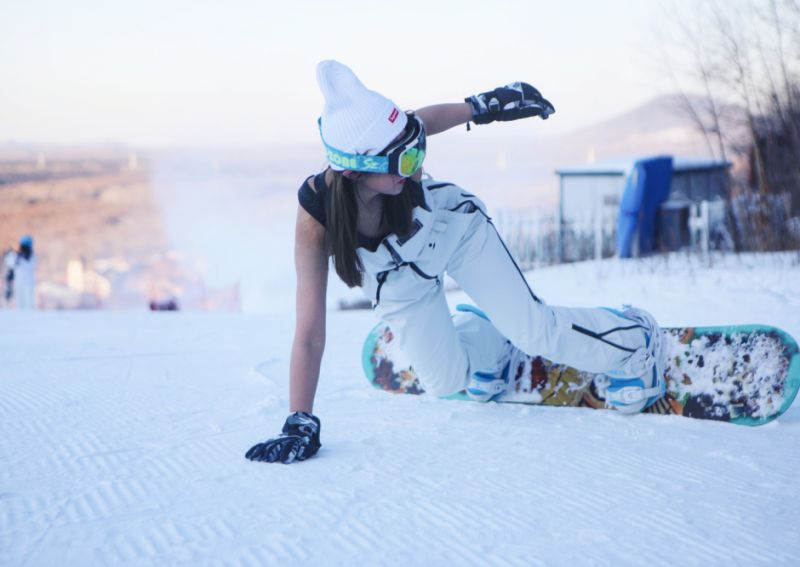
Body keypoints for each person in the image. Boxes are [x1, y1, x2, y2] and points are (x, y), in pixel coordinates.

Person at [245, 61, 666, 464]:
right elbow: (309, 334)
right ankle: (487, 339)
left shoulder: (392, 143)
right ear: (356, 171)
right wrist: (299, 421)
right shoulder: (317, 216)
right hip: (395, 281)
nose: (417, 165)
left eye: (417, 150)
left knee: (533, 330)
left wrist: (487, 106)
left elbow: (425, 120)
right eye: (406, 160)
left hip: (454, 231)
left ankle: (634, 343)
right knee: (445, 381)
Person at [13, 235, 37, 310]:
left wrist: (23, 257)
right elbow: (11, 264)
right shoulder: (16, 255)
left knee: (28, 301)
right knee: (19, 301)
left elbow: (30, 265)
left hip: (28, 281)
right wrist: (17, 256)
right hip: (19, 281)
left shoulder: (32, 255)